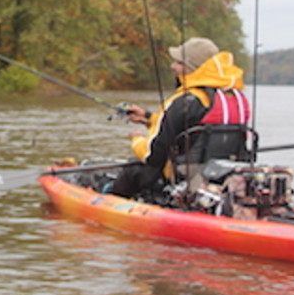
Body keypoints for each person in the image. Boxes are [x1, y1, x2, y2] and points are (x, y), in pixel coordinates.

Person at [108, 37, 253, 203]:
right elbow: (193, 128)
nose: (172, 67)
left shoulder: (184, 101)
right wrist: (149, 118)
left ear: (191, 68)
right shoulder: (235, 98)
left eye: (178, 63)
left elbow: (152, 155)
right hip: (221, 177)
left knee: (134, 167)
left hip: (182, 179)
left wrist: (136, 139)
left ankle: (109, 201)